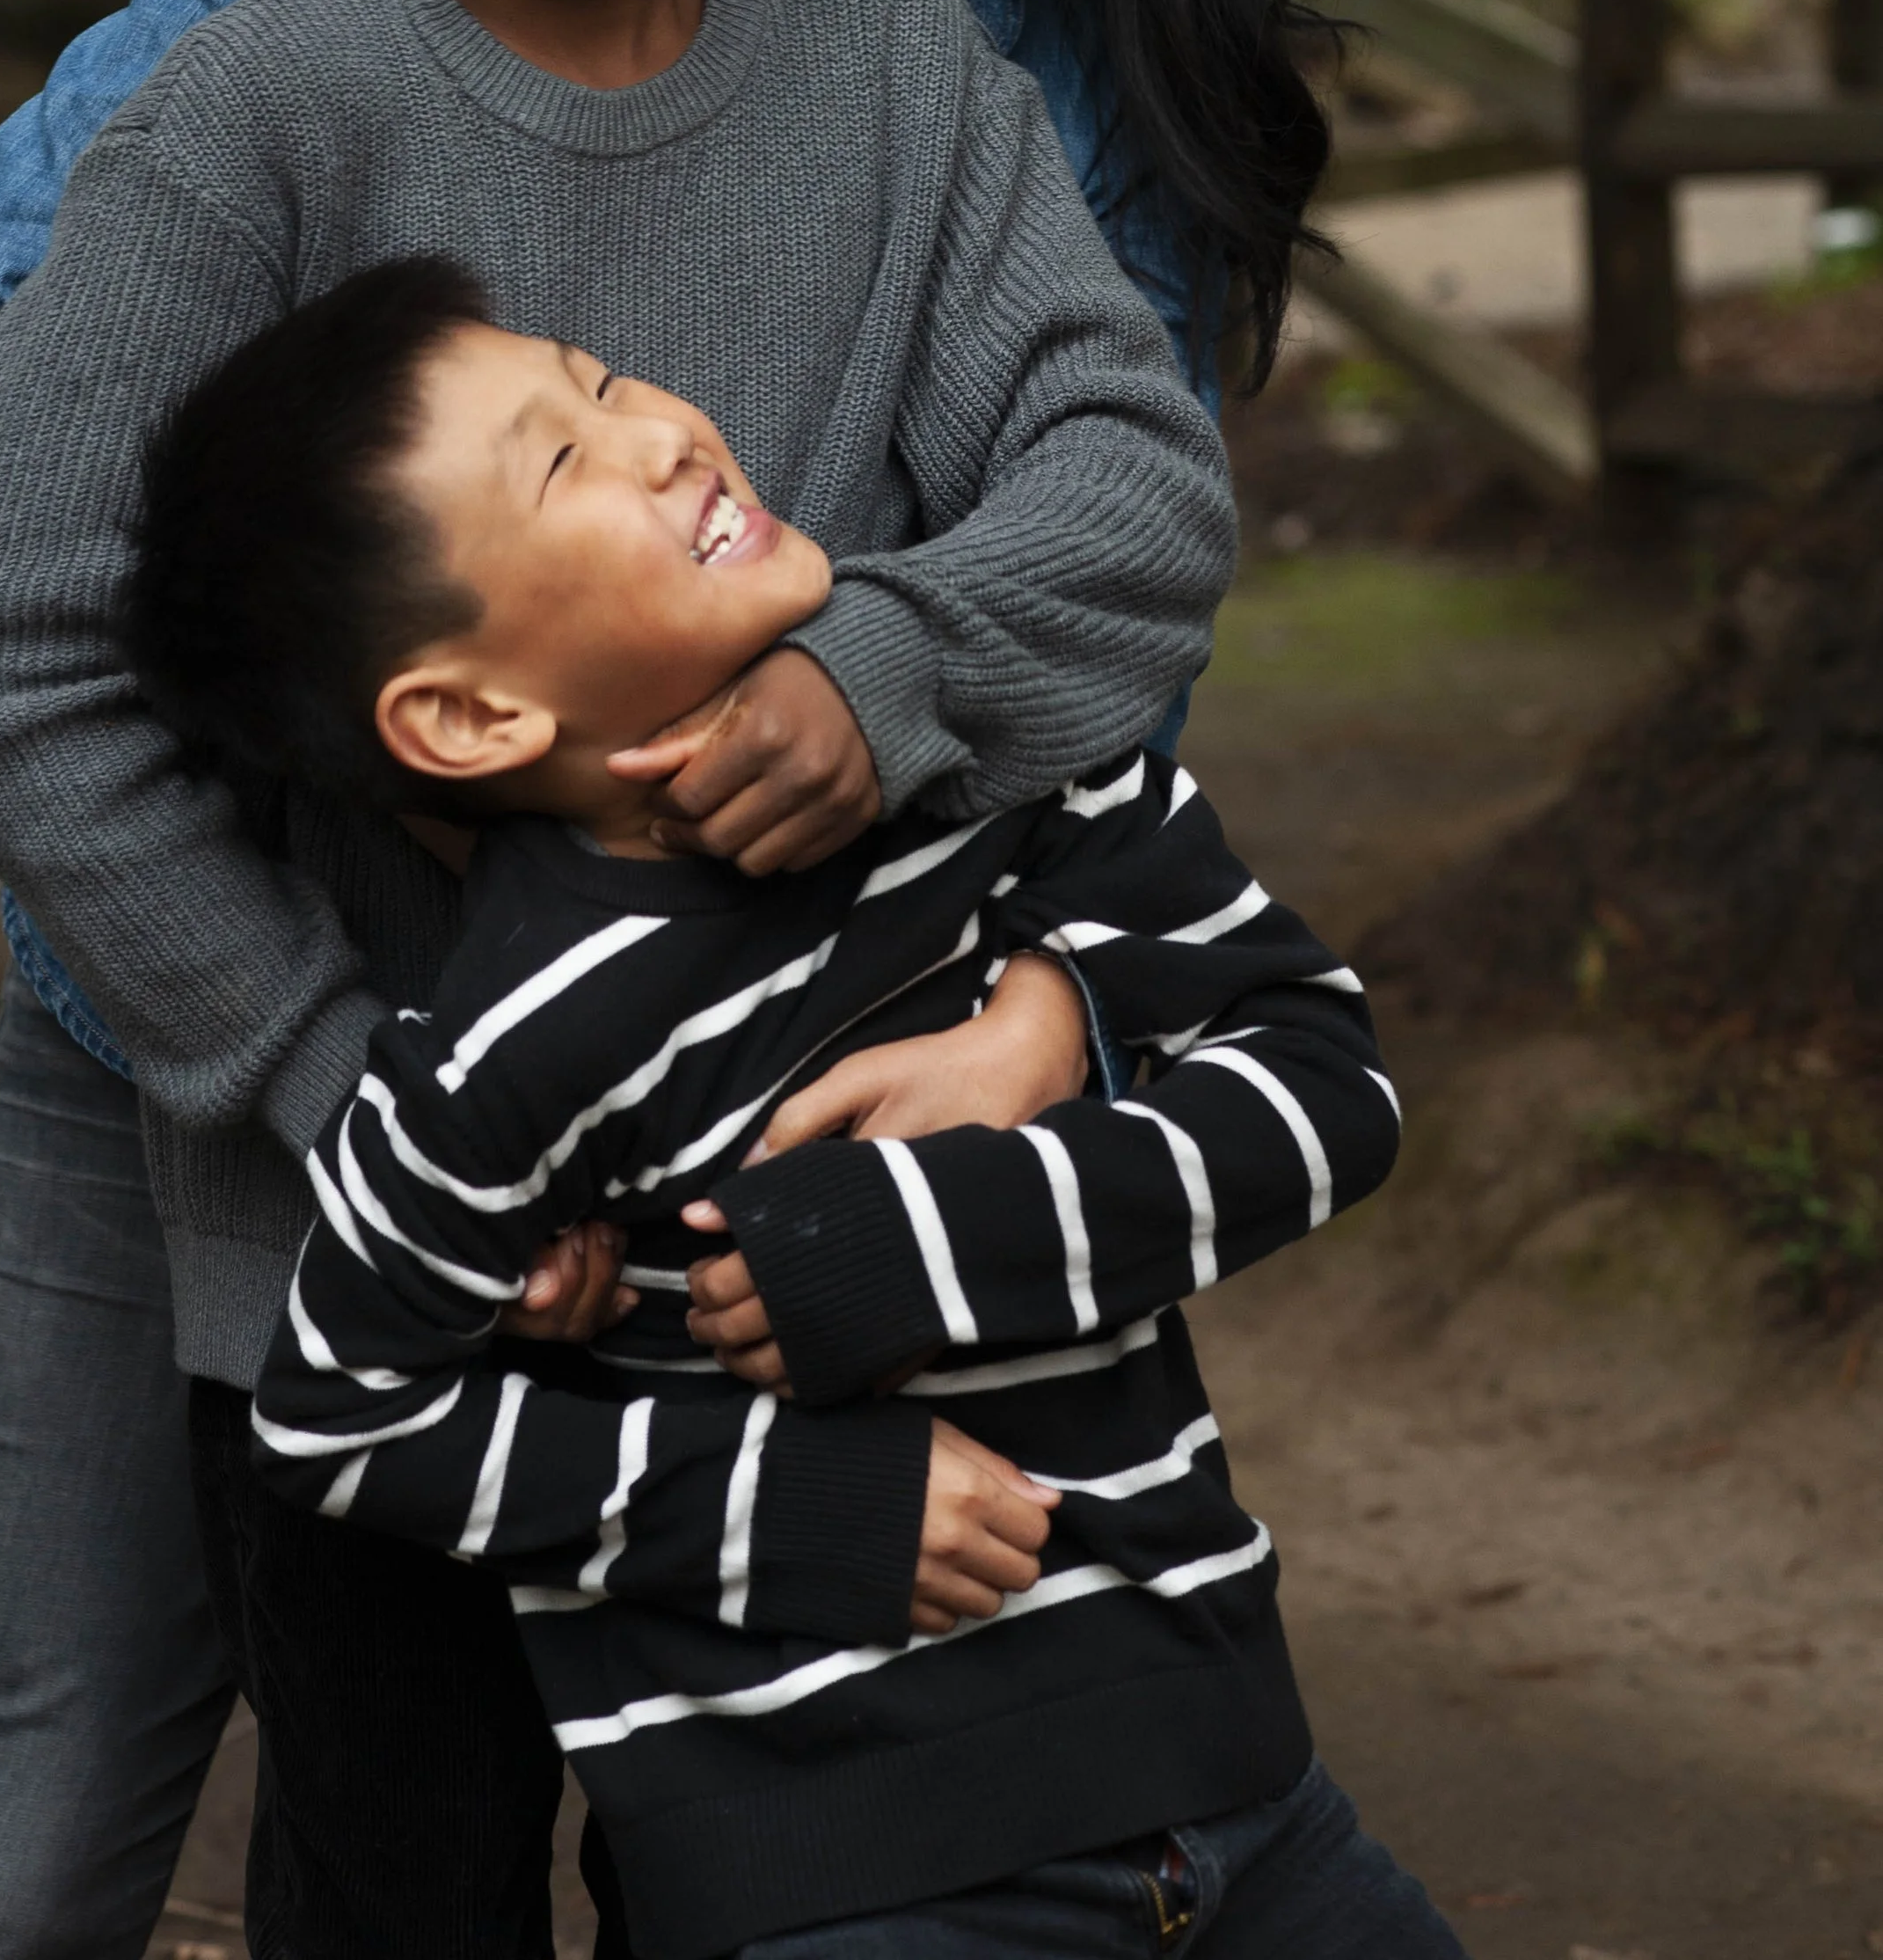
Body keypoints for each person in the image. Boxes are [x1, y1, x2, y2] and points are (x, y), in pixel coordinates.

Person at [0, 0, 1378, 1954]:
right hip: (268, 1061)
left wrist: (991, 886)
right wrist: (409, 896)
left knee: (775, 1823)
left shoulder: (959, 31)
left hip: (737, 1123)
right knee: (89, 1824)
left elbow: (1115, 535)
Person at [126, 252, 1454, 1960]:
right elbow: (339, 1417)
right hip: (843, 1884)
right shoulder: (500, 1050)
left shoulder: (1017, 780)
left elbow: (1327, 1084)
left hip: (1246, 1795)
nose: (654, 437)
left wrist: (955, 1201)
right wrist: (795, 1509)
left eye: (604, 381)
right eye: (559, 461)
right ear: (467, 713)